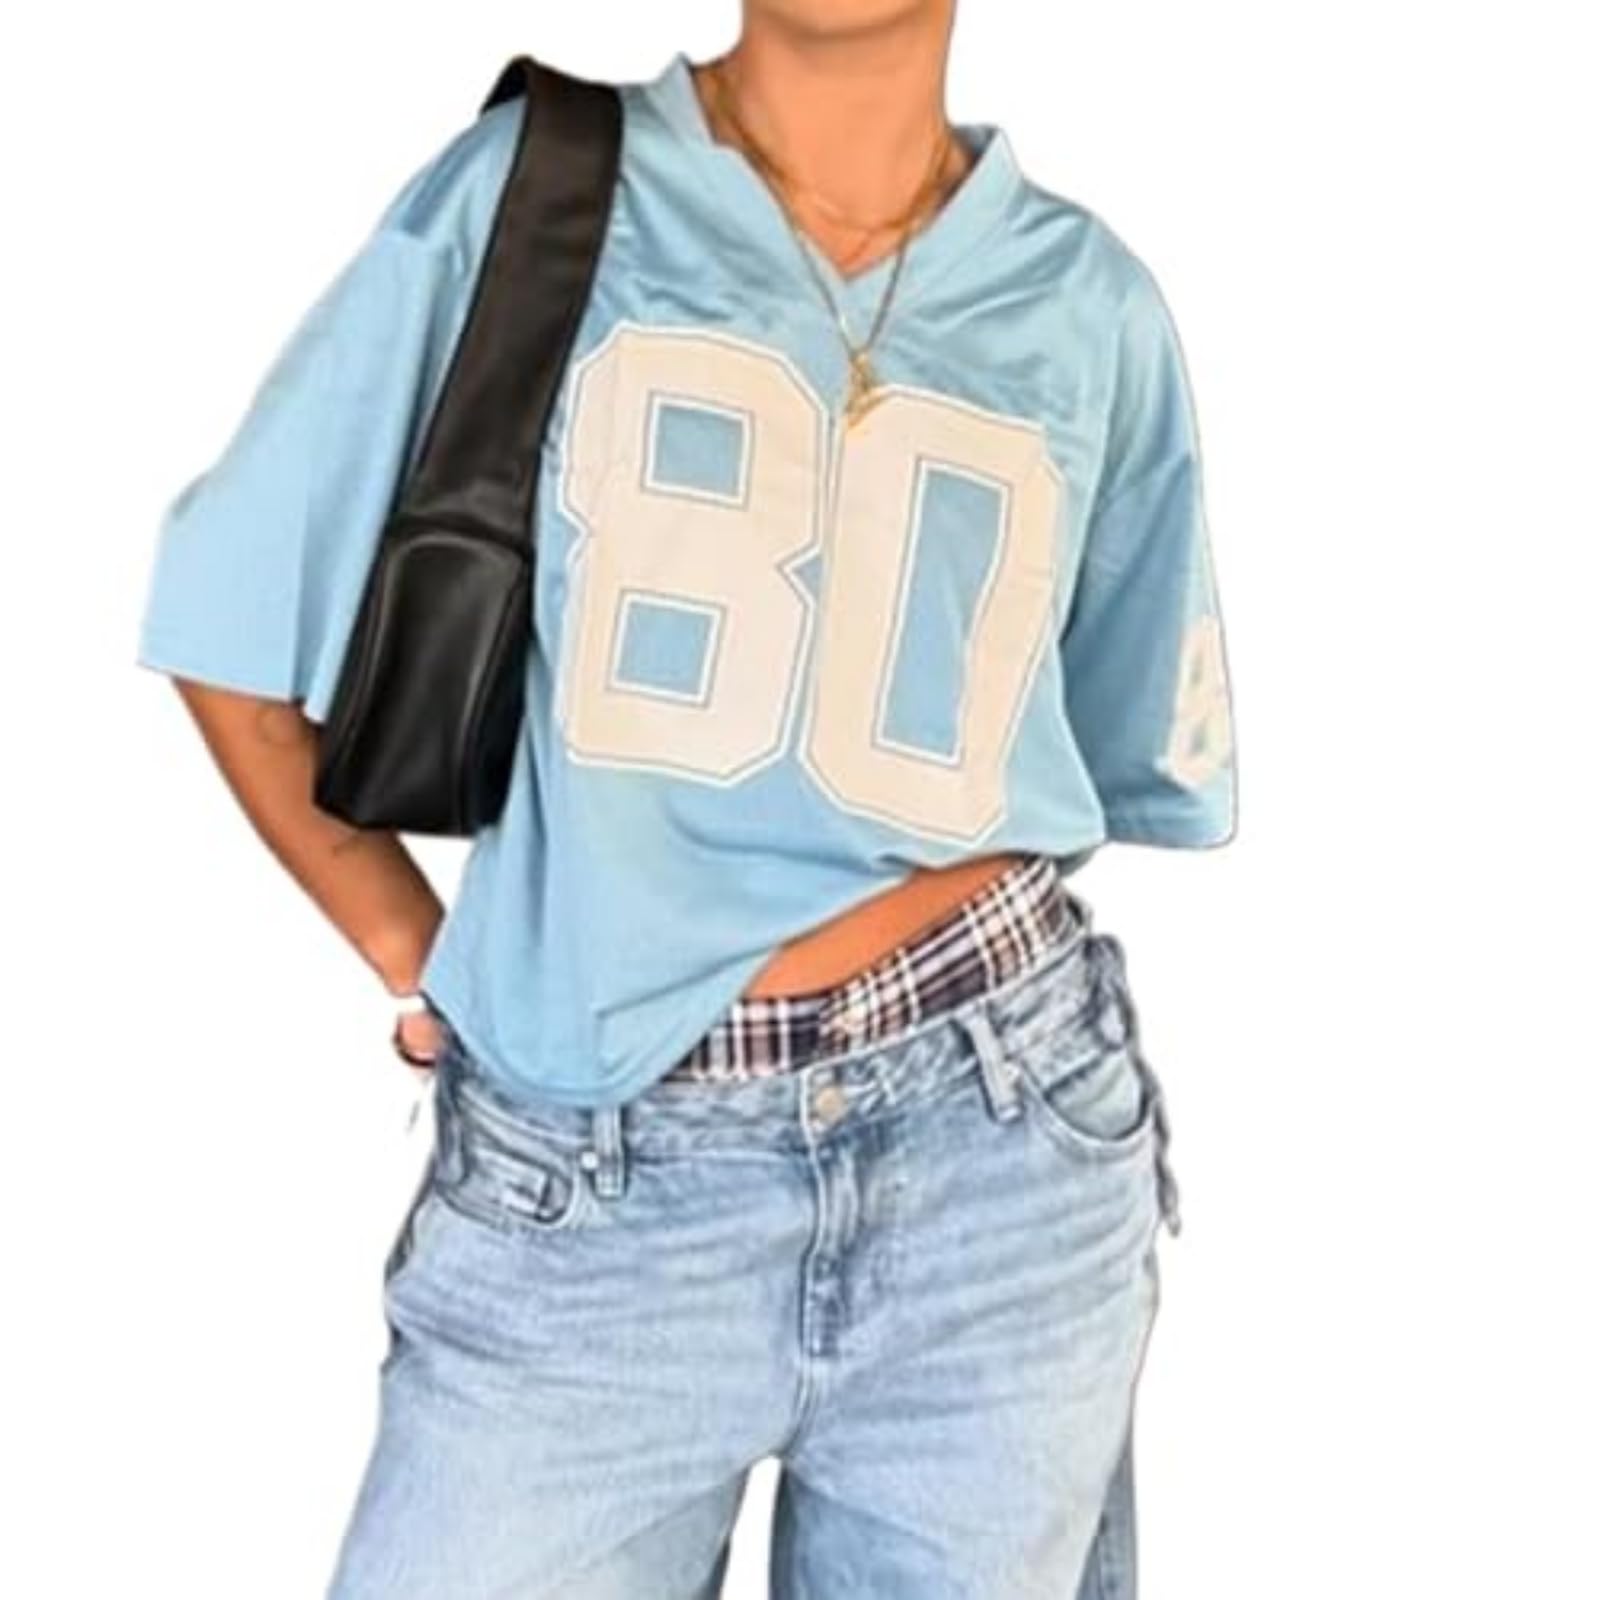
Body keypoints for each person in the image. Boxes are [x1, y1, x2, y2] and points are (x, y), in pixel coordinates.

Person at [135, 2, 1237, 1594]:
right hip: (588, 1181)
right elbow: (229, 623)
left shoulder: (1088, 305)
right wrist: (410, 943)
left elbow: (1111, 739)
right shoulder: (535, 194)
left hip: (1000, 1165)